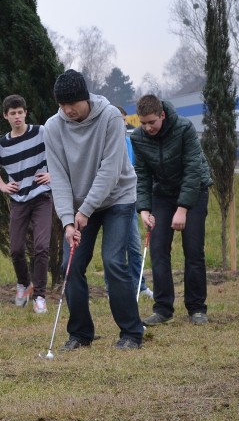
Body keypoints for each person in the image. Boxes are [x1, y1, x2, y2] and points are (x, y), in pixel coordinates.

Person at [44, 69, 145, 350]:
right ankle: (80, 334)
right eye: (62, 105)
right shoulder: (53, 127)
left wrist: (86, 210)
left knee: (113, 261)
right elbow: (59, 178)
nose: (67, 110)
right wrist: (67, 221)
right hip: (77, 208)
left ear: (85, 98)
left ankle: (131, 333)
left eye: (72, 104)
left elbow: (111, 169)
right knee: (71, 265)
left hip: (116, 199)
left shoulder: (110, 117)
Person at [131, 94, 213, 326]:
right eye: (143, 123)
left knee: (193, 250)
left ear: (162, 115)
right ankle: (163, 308)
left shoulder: (184, 128)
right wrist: (144, 209)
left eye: (152, 122)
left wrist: (183, 209)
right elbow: (143, 174)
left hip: (194, 191)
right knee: (158, 249)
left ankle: (197, 308)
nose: (147, 128)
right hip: (163, 194)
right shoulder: (138, 138)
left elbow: (193, 169)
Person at [0, 94, 53, 313]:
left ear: (26, 112)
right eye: (12, 113)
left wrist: (53, 174)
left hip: (42, 197)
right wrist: (3, 186)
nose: (17, 117)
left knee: (42, 247)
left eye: (20, 112)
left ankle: (40, 297)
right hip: (19, 201)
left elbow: (62, 152)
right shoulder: (2, 144)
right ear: (6, 116)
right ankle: (24, 283)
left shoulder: (41, 132)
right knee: (15, 249)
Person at [116, 105, 154, 301]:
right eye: (118, 120)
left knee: (134, 247)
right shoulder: (105, 145)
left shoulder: (130, 143)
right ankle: (113, 288)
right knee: (115, 251)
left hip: (130, 201)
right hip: (112, 205)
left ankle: (140, 286)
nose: (122, 124)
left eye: (124, 120)